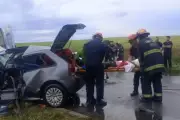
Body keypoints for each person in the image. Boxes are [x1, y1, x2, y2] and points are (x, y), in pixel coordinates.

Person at [136, 29, 165, 103]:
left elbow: (141, 57)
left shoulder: (141, 43)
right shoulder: (154, 42)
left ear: (139, 36)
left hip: (149, 66)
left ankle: (147, 98)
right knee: (157, 81)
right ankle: (158, 98)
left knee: (146, 81)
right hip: (160, 65)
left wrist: (141, 66)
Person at [83, 32, 107, 107]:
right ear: (100, 37)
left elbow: (85, 55)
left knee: (89, 84)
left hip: (88, 67)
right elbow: (103, 56)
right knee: (99, 84)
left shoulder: (86, 44)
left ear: (94, 37)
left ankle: (89, 100)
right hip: (98, 66)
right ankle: (99, 101)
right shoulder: (102, 44)